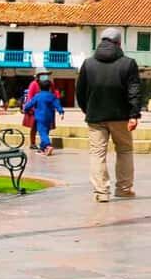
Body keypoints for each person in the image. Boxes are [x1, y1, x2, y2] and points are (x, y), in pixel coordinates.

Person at [76, 28, 141, 202]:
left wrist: (87, 109)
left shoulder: (88, 64)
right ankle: (124, 189)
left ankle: (101, 192)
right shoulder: (128, 63)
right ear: (119, 43)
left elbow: (80, 92)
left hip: (95, 116)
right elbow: (133, 91)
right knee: (125, 150)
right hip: (121, 116)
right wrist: (134, 114)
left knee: (97, 153)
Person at [23, 80, 64, 156]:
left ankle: (48, 146)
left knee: (42, 133)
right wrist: (61, 112)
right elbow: (57, 104)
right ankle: (42, 149)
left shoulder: (37, 96)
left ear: (40, 88)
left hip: (40, 117)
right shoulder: (52, 96)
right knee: (45, 132)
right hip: (49, 118)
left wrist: (25, 109)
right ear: (49, 88)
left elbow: (30, 104)